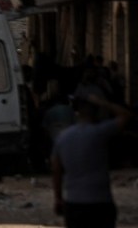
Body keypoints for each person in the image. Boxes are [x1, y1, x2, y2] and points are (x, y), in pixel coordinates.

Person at [51, 91, 132, 228]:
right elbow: (126, 116)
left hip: (74, 203)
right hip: (100, 202)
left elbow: (56, 171)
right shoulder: (100, 132)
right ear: (96, 111)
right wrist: (103, 102)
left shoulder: (62, 138)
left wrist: (58, 198)